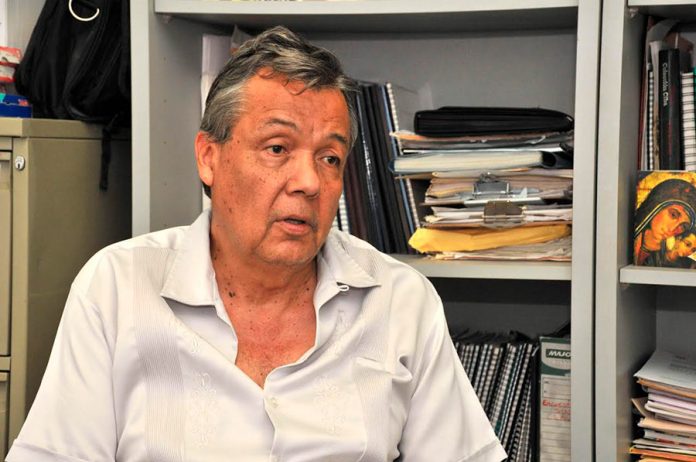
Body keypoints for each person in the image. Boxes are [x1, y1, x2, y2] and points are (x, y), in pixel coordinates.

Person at [6, 27, 506, 462]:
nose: (309, 182)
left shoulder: (400, 300)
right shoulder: (117, 288)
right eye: (277, 148)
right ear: (209, 157)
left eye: (330, 158)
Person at [633, 178, 696, 266]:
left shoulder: (662, 257)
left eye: (683, 226)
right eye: (673, 215)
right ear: (655, 206)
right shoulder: (627, 238)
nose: (673, 229)